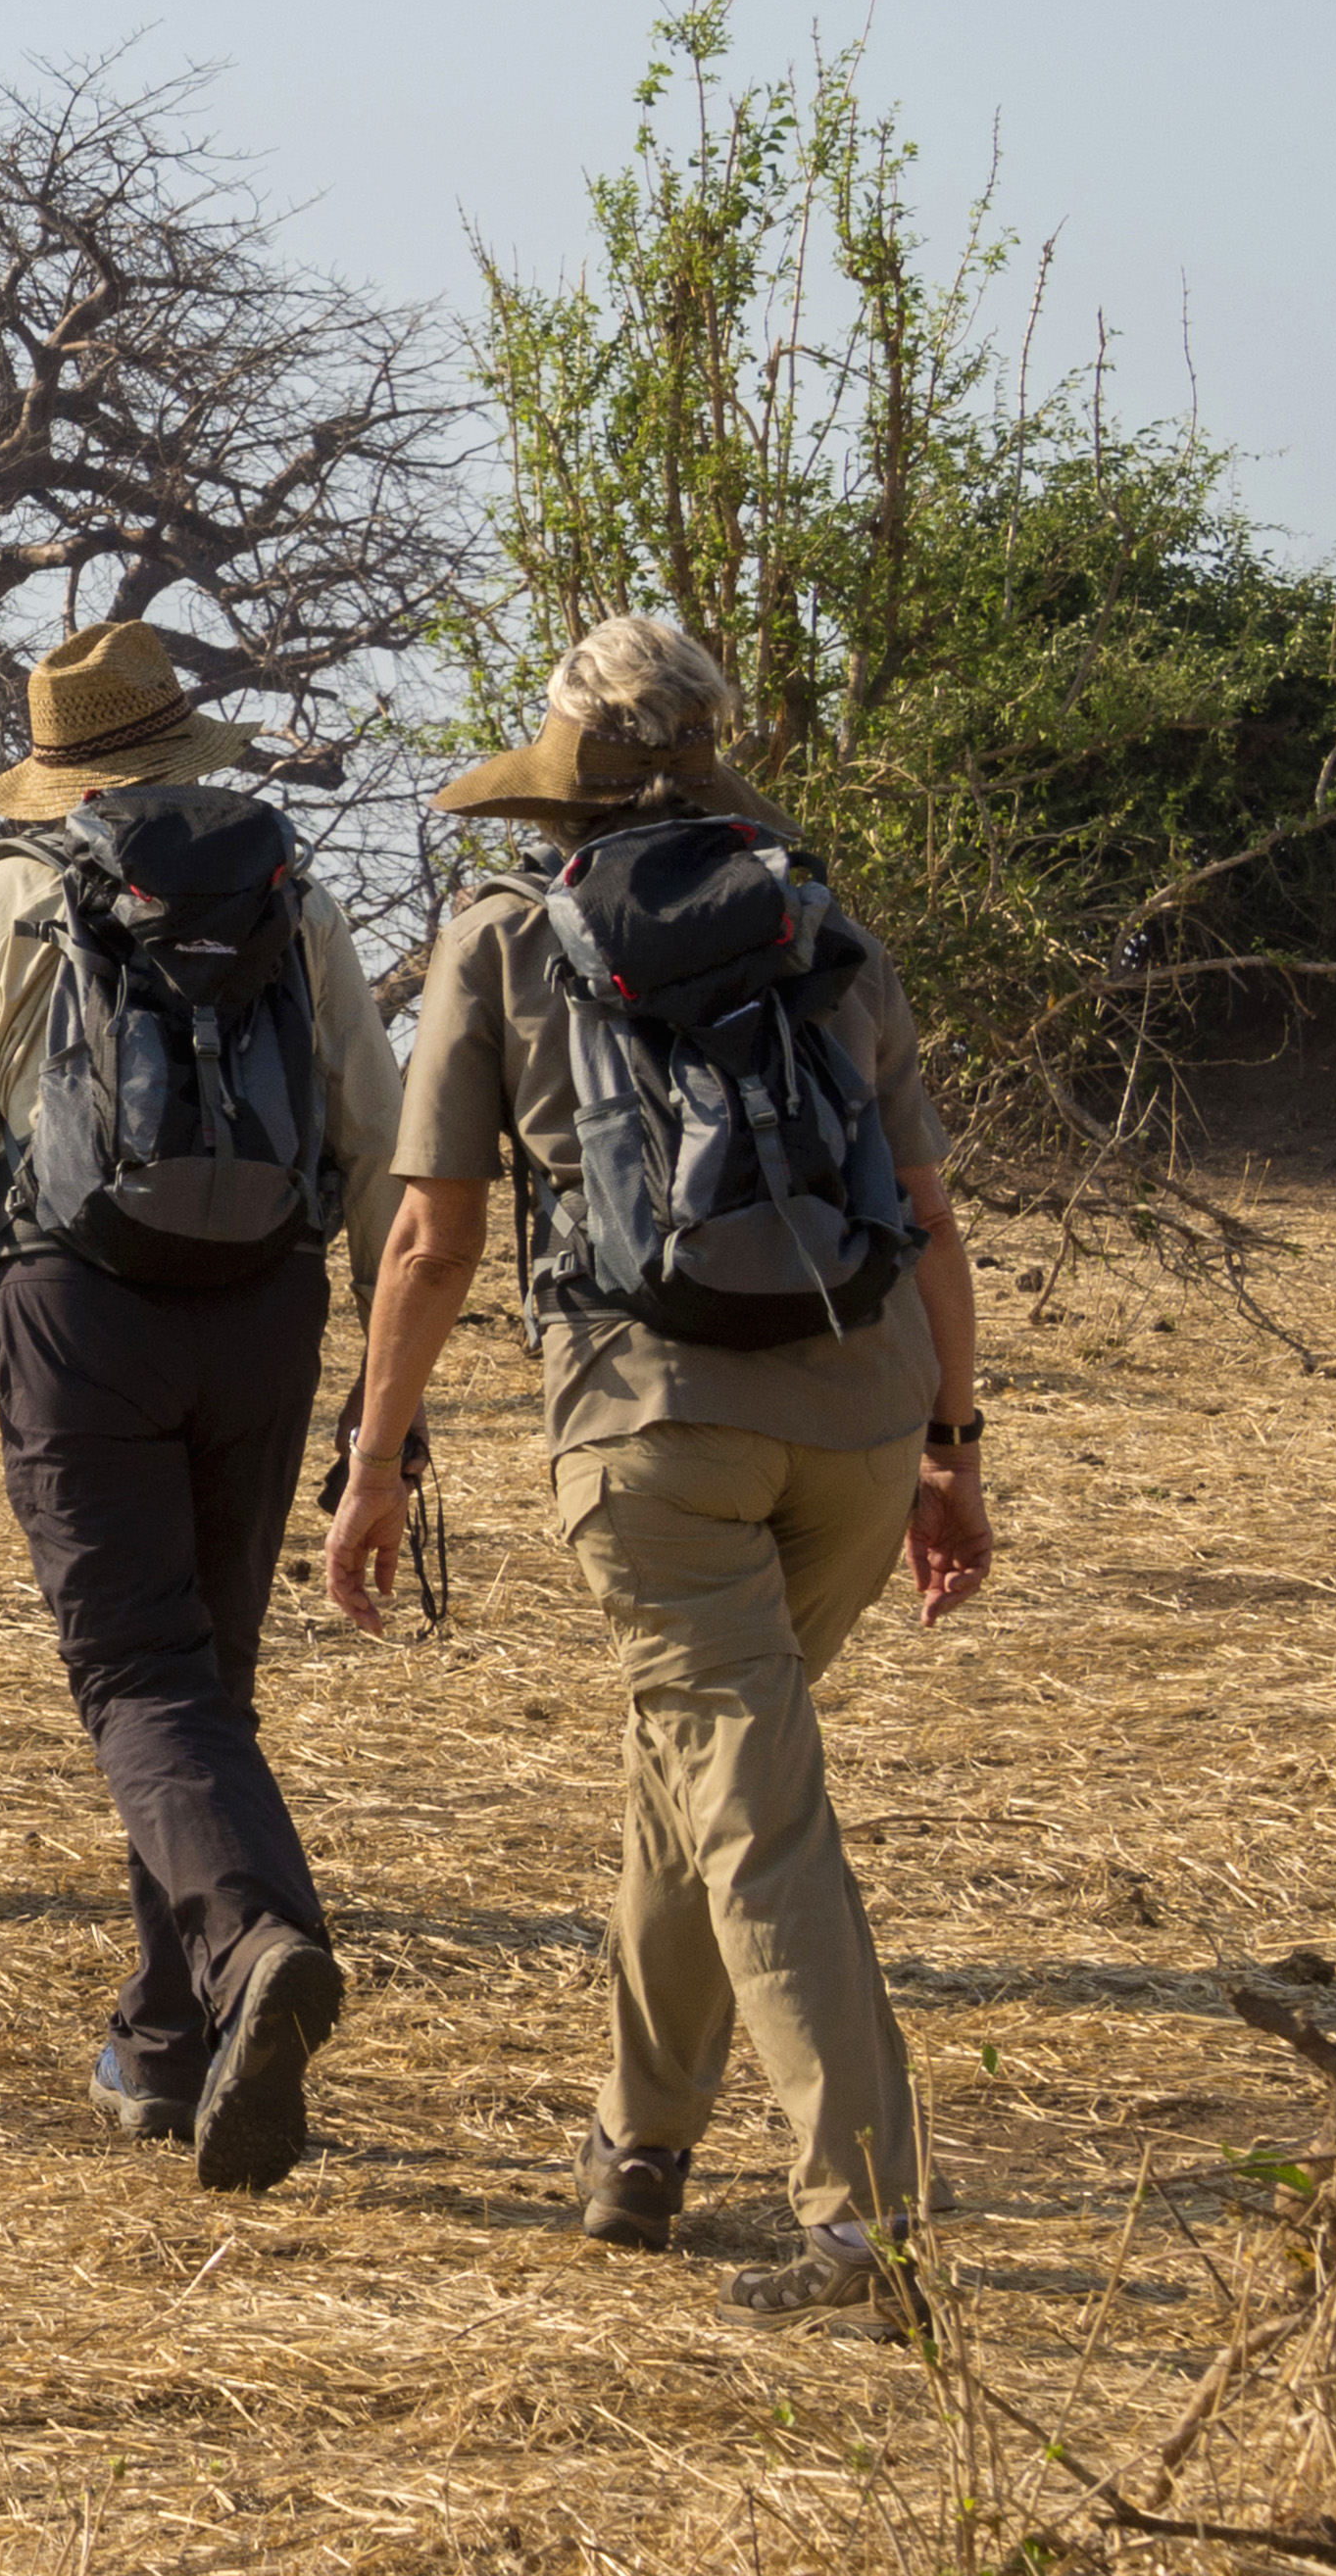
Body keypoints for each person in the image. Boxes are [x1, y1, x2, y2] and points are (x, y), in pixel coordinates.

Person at [322, 613, 1001, 2325]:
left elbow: (432, 1239)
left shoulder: (500, 937)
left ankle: (866, 2230)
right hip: (861, 1421)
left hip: (651, 1430)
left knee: (751, 1809)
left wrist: (376, 1454)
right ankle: (637, 2146)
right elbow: (924, 1220)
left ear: (565, 773)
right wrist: (954, 1445)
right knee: (696, 1770)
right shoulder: (823, 927)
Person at [0, 619, 404, 2190]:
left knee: (135, 1675)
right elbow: (375, 1131)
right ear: (182, 749)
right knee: (200, 1682)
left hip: (75, 1307)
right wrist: (391, 1377)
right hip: (269, 1309)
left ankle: (251, 1949)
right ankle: (171, 2038)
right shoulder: (291, 895)